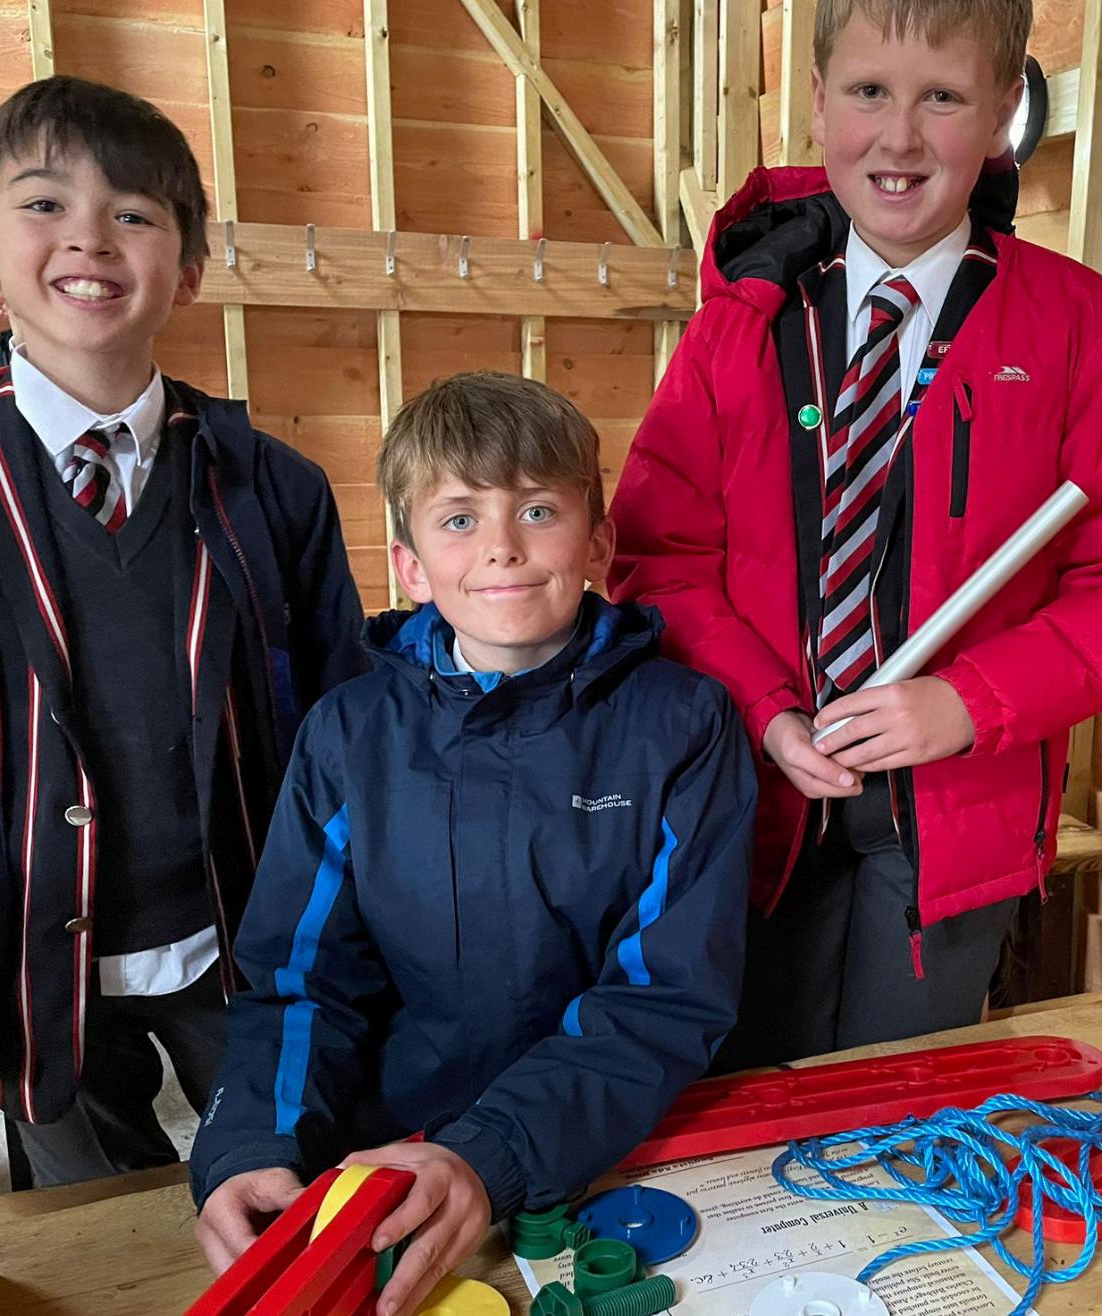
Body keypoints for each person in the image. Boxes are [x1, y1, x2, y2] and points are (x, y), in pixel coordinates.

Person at [190, 372, 756, 1316]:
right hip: (395, 1168)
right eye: (458, 519)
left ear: (598, 542)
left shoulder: (684, 725)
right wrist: (253, 1143)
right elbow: (301, 983)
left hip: (616, 1151)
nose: (501, 546)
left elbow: (664, 996)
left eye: (537, 510)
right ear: (410, 565)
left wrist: (492, 1152)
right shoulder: (348, 736)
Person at [609, 0, 1102, 1068]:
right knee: (747, 1098)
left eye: (944, 98)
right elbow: (659, 557)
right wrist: (765, 711)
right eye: (870, 92)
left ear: (1004, 113)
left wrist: (969, 702)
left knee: (899, 1106)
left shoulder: (1080, 327)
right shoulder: (739, 326)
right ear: (819, 99)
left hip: (957, 823)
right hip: (758, 807)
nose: (900, 137)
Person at [0, 76, 365, 1186]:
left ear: (188, 270)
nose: (90, 238)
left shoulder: (273, 488)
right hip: (19, 969)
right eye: (43, 204)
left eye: (135, 213)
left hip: (246, 952)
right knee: (91, 1229)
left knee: (297, 1187)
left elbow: (345, 731)